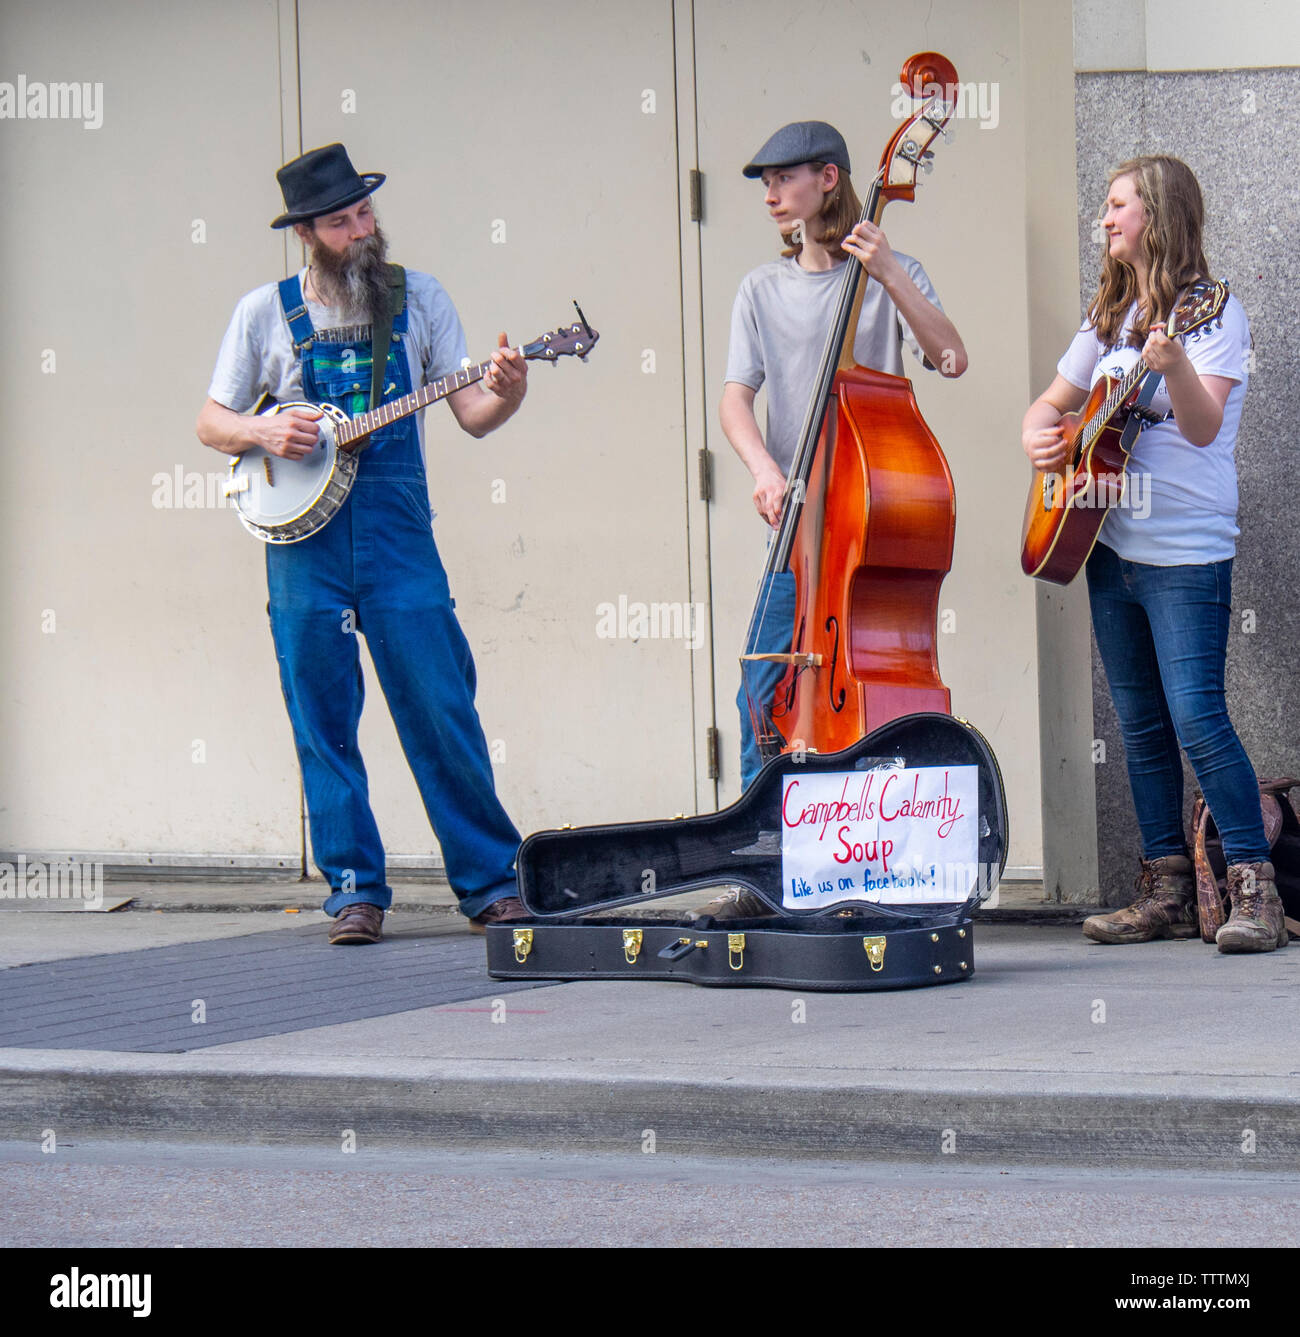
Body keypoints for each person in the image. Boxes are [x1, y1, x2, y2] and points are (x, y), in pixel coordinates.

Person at [197, 143, 529, 944]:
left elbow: (472, 411)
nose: (362, 228)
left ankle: (492, 881)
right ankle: (354, 890)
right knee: (322, 715)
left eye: (366, 212)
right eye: (343, 220)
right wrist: (263, 426)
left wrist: (509, 391)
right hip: (301, 546)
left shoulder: (420, 299)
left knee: (440, 703)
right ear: (307, 232)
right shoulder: (262, 313)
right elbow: (211, 422)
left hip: (398, 539)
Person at [699, 119, 966, 921]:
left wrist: (887, 271)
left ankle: (872, 871)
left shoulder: (893, 270)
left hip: (866, 523)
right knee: (764, 691)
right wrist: (765, 469)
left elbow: (951, 358)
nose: (771, 196)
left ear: (828, 177)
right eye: (763, 185)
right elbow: (735, 398)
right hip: (801, 531)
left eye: (782, 179)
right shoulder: (761, 288)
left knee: (873, 702)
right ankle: (763, 870)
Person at [1022, 154, 1286, 954]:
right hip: (1107, 541)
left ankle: (1255, 890)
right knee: (1139, 724)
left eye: (1117, 205)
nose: (1104, 219)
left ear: (1158, 217)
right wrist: (1040, 432)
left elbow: (1204, 428)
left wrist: (1173, 369)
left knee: (1198, 717)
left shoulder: (1211, 315)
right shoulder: (1108, 317)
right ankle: (1164, 886)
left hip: (1185, 548)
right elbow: (1057, 402)